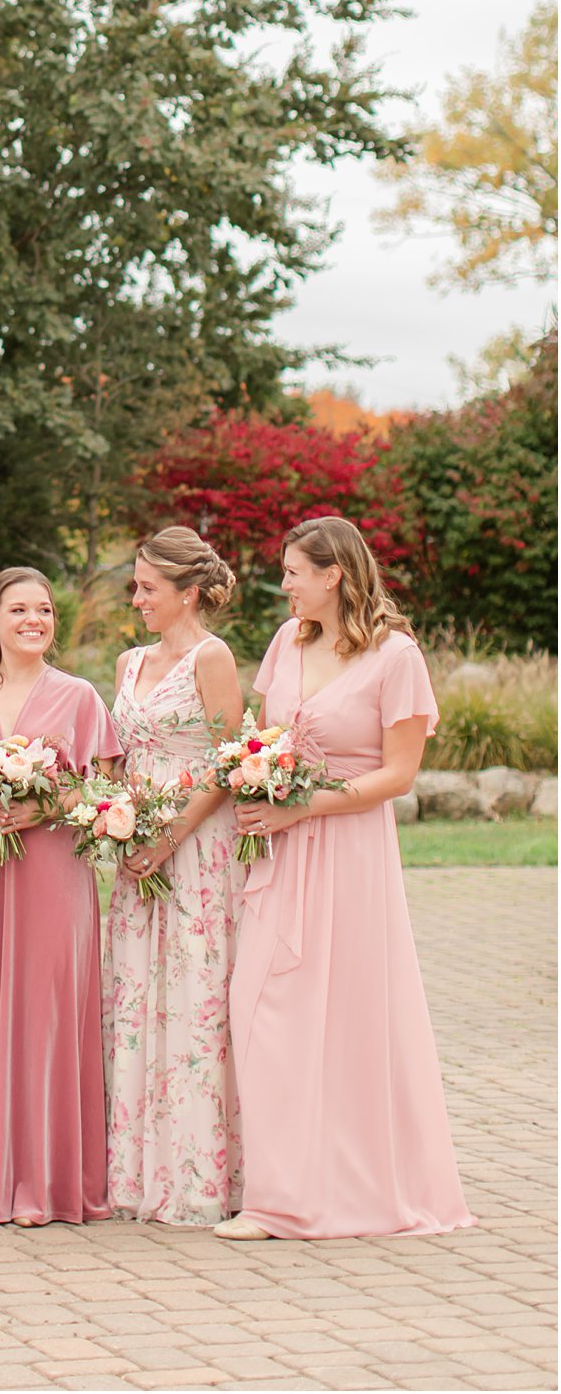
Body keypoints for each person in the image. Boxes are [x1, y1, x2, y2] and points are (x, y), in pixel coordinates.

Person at [218, 515, 474, 1241]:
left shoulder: (397, 656)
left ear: (333, 574)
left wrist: (306, 806)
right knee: (260, 1005)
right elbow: (263, 737)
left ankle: (326, 1193)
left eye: (295, 571)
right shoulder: (287, 642)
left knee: (349, 1015)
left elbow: (398, 774)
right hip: (281, 852)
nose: (285, 583)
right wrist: (256, 779)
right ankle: (277, 1188)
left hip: (351, 850)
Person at [0, 566, 122, 1226]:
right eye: (18, 609)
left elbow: (98, 792)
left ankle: (45, 1180)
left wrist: (38, 803)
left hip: (51, 870)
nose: (33, 620)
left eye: (43, 609)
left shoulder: (78, 697)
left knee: (46, 1010)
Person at [104, 527, 245, 1226]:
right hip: (137, 846)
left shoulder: (211, 657)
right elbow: (116, 754)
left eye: (148, 588)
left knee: (192, 996)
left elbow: (229, 760)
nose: (138, 598)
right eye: (136, 586)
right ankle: (135, 1170)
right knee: (135, 997)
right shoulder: (130, 662)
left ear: (187, 591)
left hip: (194, 846)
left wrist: (172, 834)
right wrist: (110, 815)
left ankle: (196, 1174)